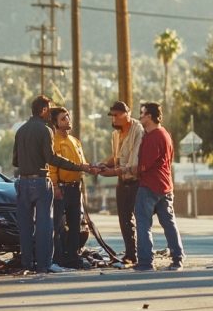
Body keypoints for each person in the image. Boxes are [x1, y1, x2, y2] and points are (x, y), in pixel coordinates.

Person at [12, 95, 95, 274]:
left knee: (25, 228)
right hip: (41, 181)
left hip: (22, 182)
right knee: (45, 225)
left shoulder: (21, 131)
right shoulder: (45, 130)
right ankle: (44, 265)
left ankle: (27, 264)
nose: (50, 113)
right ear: (43, 111)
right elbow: (51, 158)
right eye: (49, 109)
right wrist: (77, 166)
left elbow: (15, 161)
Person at [132, 102, 185, 271]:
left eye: (142, 113)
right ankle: (178, 258)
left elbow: (144, 165)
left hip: (149, 186)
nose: (139, 117)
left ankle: (146, 262)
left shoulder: (153, 136)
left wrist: (128, 170)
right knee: (169, 223)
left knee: (143, 223)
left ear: (149, 116)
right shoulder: (165, 135)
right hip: (165, 186)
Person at [96, 101, 144, 264]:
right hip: (122, 182)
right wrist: (102, 165)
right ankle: (131, 254)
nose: (114, 119)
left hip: (137, 181)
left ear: (127, 114)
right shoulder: (115, 135)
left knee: (141, 219)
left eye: (117, 115)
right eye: (112, 115)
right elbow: (115, 157)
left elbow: (134, 163)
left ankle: (143, 253)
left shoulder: (138, 130)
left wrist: (112, 172)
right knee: (124, 219)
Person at [48, 107, 87, 269]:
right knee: (57, 226)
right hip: (61, 189)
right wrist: (55, 186)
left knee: (75, 225)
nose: (68, 120)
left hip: (75, 189)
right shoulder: (53, 142)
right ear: (55, 123)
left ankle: (73, 257)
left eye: (68, 117)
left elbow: (82, 164)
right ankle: (57, 259)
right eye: (63, 118)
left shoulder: (75, 141)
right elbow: (51, 166)